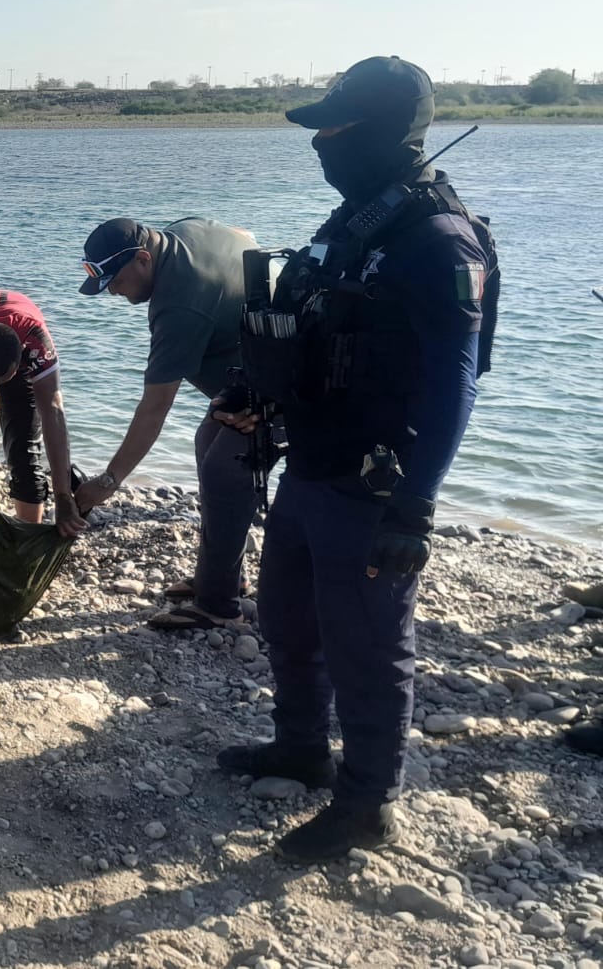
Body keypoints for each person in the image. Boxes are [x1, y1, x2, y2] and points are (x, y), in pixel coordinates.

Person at [213, 56, 501, 861]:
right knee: (287, 617)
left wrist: (418, 503)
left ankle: (370, 802)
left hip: (376, 479)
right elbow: (306, 321)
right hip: (310, 458)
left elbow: (457, 379)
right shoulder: (356, 224)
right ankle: (301, 748)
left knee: (370, 643)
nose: (322, 145)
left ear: (375, 132)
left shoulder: (435, 238)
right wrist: (252, 388)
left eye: (334, 128)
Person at [71, 217, 261, 629]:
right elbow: (244, 237)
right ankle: (224, 576)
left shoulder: (178, 304)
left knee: (225, 470)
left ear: (142, 259)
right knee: (208, 446)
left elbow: (155, 408)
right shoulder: (180, 233)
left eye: (116, 283)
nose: (114, 294)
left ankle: (220, 607)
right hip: (254, 371)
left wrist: (109, 481)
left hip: (288, 382)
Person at [0, 290, 82, 536]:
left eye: (0, 382)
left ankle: (27, 536)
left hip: (15, 336)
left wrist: (63, 497)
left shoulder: (36, 344)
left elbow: (53, 413)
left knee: (23, 447)